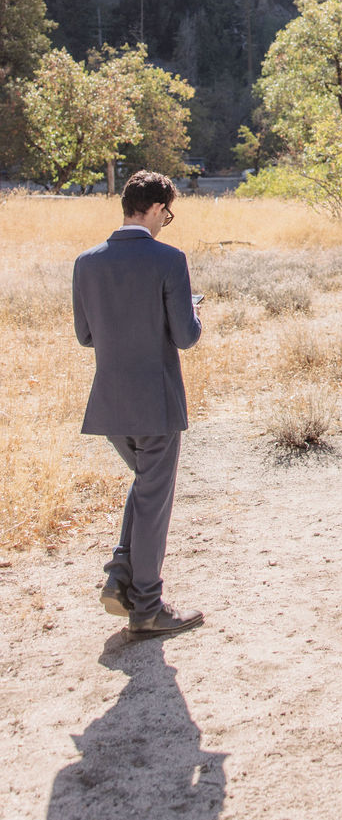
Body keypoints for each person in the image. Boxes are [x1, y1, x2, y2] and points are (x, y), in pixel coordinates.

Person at [72, 170, 203, 636]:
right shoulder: (169, 259)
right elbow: (186, 337)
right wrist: (195, 313)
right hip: (157, 400)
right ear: (153, 208)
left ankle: (121, 571)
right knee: (154, 498)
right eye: (167, 213)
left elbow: (86, 335)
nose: (167, 220)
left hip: (109, 402)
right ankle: (146, 606)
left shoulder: (86, 262)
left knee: (146, 487)